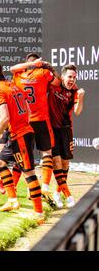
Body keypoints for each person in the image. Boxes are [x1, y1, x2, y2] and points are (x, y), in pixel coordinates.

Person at [0, 61, 44, 224]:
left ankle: (38, 213)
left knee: (29, 173)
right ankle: (12, 200)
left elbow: (4, 118)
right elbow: (27, 108)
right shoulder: (13, 85)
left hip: (20, 135)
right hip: (18, 133)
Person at [10, 53, 61, 208]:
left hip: (24, 121)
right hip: (41, 120)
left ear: (27, 63)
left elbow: (12, 68)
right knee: (46, 153)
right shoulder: (43, 73)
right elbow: (58, 83)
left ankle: (12, 187)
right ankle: (44, 186)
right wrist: (49, 68)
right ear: (38, 62)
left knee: (24, 155)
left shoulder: (18, 74)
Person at [48, 64, 85, 208]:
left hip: (66, 130)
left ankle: (57, 193)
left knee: (65, 164)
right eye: (70, 76)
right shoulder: (54, 84)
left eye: (74, 77)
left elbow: (77, 111)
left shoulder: (75, 91)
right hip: (52, 129)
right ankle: (68, 196)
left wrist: (81, 97)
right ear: (63, 76)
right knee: (56, 163)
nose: (72, 80)